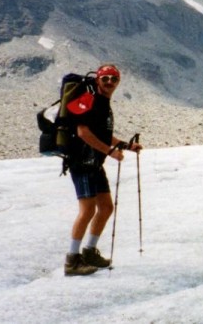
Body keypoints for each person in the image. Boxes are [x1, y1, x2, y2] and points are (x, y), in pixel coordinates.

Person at [63, 64, 143, 276]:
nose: (109, 82)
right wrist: (110, 152)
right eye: (105, 78)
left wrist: (125, 146)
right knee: (88, 209)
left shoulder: (103, 103)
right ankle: (72, 260)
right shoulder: (88, 101)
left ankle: (89, 252)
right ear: (98, 79)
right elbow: (83, 132)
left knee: (106, 207)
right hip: (81, 162)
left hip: (94, 163)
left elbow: (102, 134)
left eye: (113, 79)